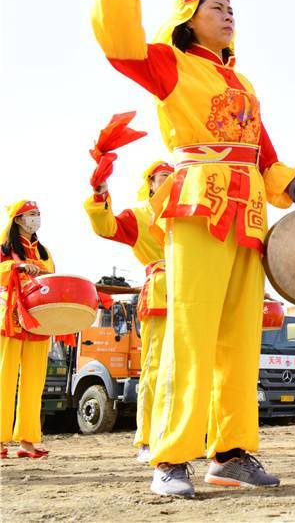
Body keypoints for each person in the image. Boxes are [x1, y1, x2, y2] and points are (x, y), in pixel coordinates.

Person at [93, 0, 295, 497]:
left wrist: (292, 185)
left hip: (248, 215)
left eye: (231, 9)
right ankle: (171, 458)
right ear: (187, 18)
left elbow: (264, 153)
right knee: (190, 335)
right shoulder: (175, 66)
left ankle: (231, 452)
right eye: (215, 6)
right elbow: (118, 42)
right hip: (200, 203)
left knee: (239, 341)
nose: (228, 15)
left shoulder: (243, 83)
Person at [84, 161, 174, 462]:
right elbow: (107, 228)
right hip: (162, 291)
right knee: (155, 368)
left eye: (174, 177)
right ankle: (148, 438)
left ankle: (187, 436)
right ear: (150, 183)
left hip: (197, 291)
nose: (169, 181)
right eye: (163, 177)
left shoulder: (190, 213)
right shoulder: (140, 215)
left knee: (192, 369)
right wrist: (100, 195)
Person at [0, 200, 53, 460]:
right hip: (9, 318)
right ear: (18, 219)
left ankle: (28, 441)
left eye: (38, 214)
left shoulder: (43, 252)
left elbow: (52, 276)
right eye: (32, 214)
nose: (37, 218)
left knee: (34, 382)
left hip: (39, 318)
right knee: (4, 379)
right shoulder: (4, 248)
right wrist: (15, 266)